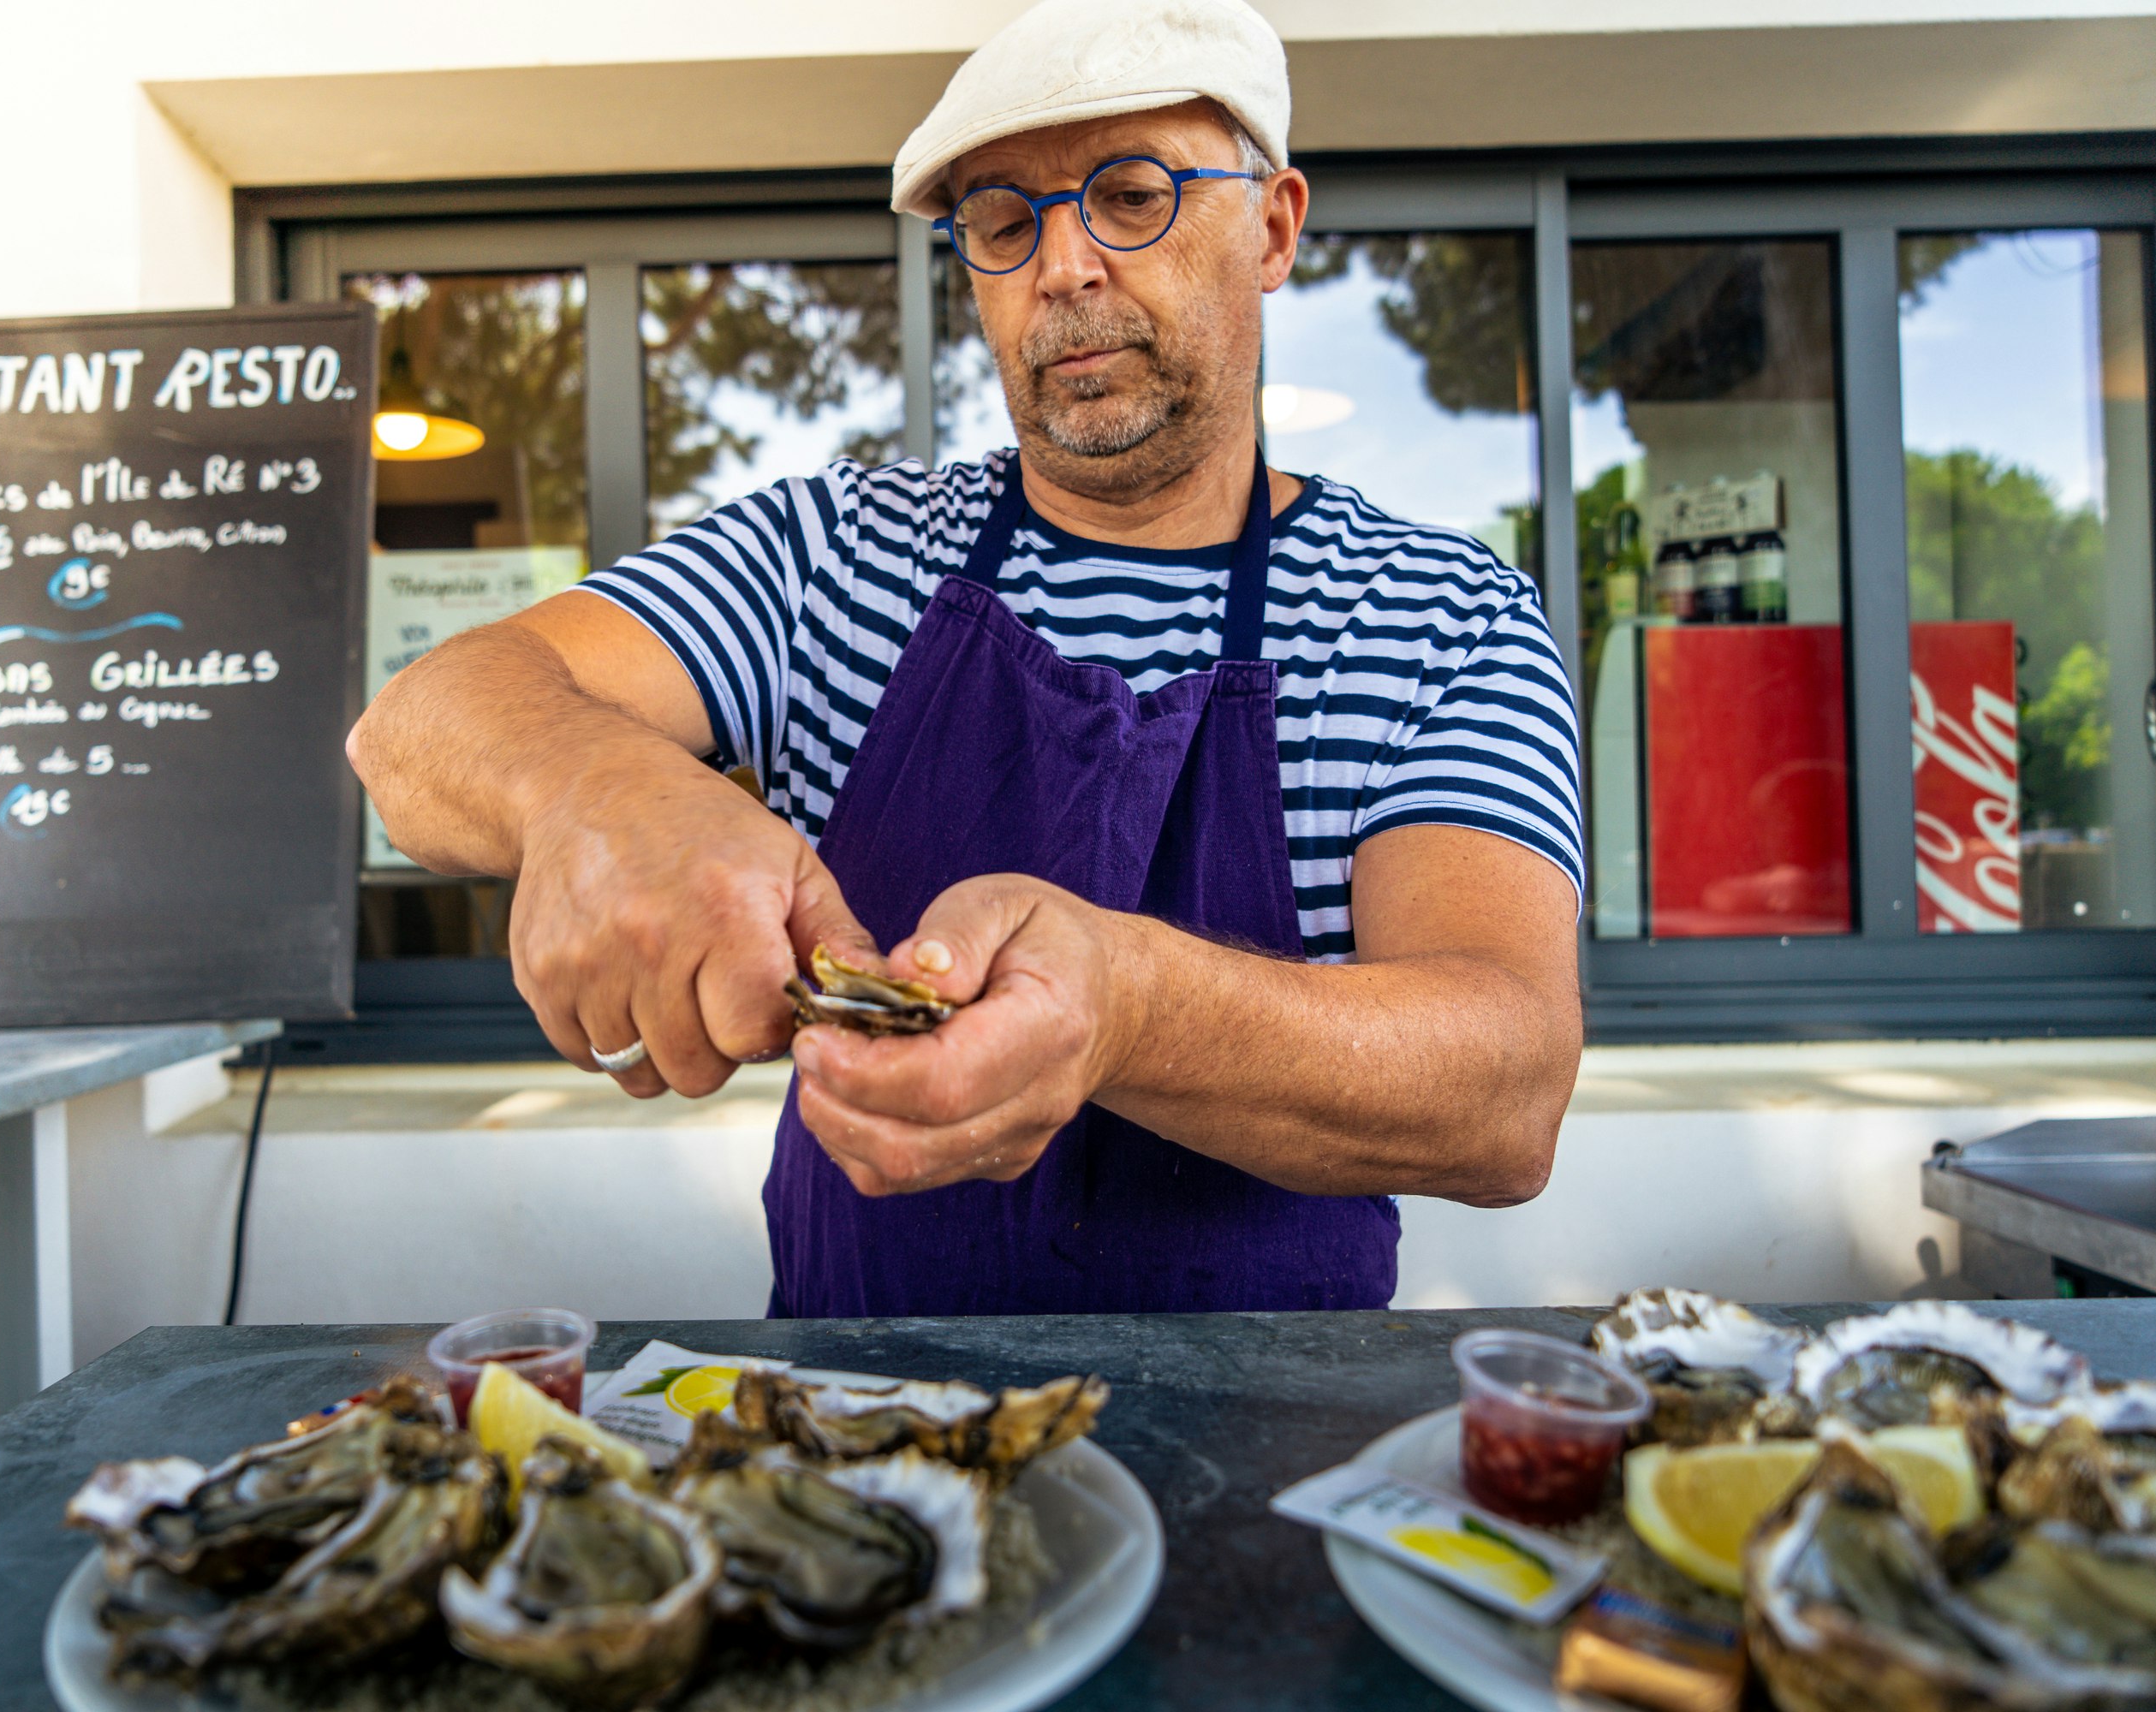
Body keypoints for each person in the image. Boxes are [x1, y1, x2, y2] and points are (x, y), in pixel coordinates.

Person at [350, 0, 1584, 1317]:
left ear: (1275, 226)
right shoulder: (830, 556)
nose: (1064, 267)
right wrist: (593, 783)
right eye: (1005, 220)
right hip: (856, 1440)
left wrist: (1126, 1004)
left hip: (1265, 1455)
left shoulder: (1437, 613)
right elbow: (412, 733)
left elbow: (1505, 1091)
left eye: (1131, 194)